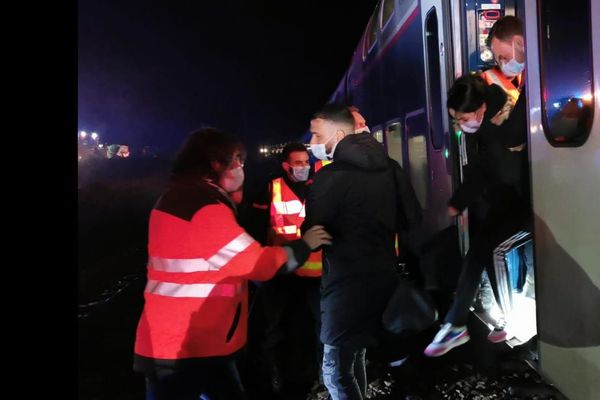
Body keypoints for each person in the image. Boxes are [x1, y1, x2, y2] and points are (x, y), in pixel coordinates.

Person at [132, 128, 332, 400]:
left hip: (187, 338)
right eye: (236, 161)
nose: (241, 168)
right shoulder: (203, 207)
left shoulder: (177, 197)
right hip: (187, 345)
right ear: (215, 163)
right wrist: (304, 244)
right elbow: (255, 263)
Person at [303, 103, 422, 400]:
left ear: (339, 134)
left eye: (317, 136)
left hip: (343, 288)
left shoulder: (329, 177)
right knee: (356, 356)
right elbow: (412, 219)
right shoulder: (391, 167)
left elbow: (314, 233)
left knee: (336, 370)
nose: (313, 144)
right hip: (383, 277)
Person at [424, 75, 531, 357]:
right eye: (455, 120)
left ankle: (508, 320)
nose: (460, 125)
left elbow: (498, 163)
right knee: (476, 255)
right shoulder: (482, 129)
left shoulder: (505, 124)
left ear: (480, 108)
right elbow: (479, 173)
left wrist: (459, 201)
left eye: (461, 118)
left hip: (525, 203)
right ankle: (457, 323)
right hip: (504, 203)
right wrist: (457, 202)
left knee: (492, 250)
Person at [250, 142, 323, 394]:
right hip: (281, 271)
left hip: (315, 271)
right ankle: (272, 377)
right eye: (298, 163)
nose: (304, 167)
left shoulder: (319, 187)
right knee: (273, 328)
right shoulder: (271, 189)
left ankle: (321, 376)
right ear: (286, 166)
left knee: (320, 326)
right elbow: (257, 229)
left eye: (306, 162)